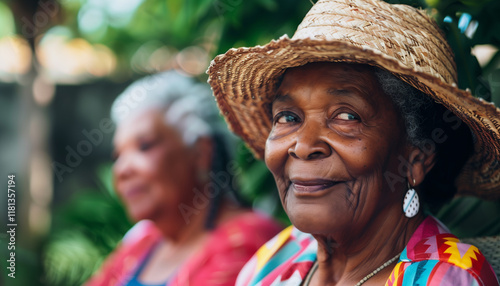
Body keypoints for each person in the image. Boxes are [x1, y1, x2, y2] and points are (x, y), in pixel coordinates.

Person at [207, 0, 500, 285]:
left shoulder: (445, 278)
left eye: (346, 116)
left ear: (417, 159)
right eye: (288, 117)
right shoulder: (274, 260)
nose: (304, 146)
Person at [85, 70, 283, 286]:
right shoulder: (144, 240)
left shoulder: (248, 240)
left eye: (144, 147)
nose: (122, 170)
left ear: (200, 152)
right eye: (118, 156)